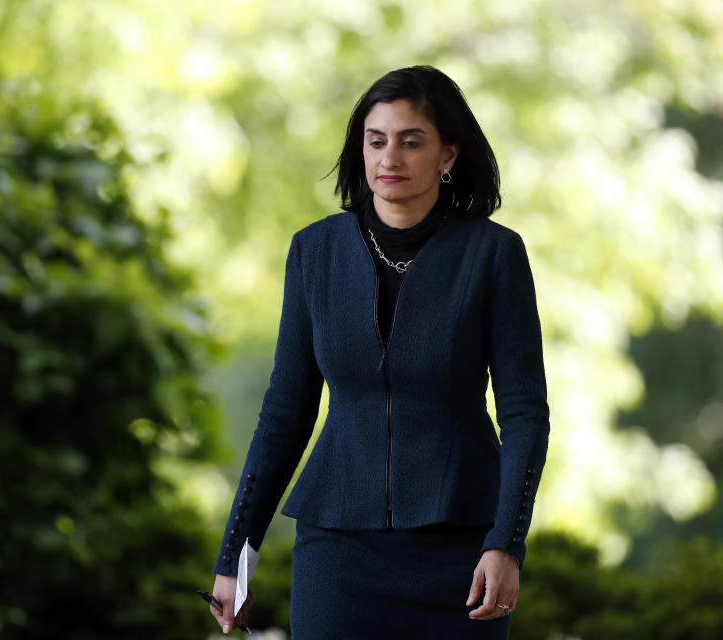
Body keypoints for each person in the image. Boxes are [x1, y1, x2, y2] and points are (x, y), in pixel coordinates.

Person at [210, 65, 550, 638]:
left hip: (462, 553)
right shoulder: (313, 253)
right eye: (376, 140)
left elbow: (524, 412)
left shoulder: (494, 256)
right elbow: (286, 413)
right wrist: (233, 557)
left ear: (448, 154)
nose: (389, 157)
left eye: (411, 141)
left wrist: (506, 544)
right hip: (336, 551)